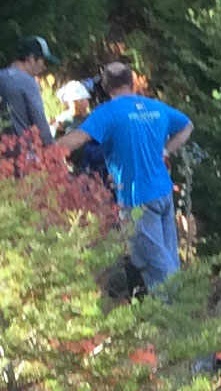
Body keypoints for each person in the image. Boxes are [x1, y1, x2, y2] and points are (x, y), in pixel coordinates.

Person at [77, 61, 193, 291]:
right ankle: (183, 306)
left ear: (107, 86)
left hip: (136, 197)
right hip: (163, 191)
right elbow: (187, 126)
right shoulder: (156, 108)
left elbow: (77, 139)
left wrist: (45, 154)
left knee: (153, 261)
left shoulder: (107, 113)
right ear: (131, 82)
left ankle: (170, 311)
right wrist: (165, 150)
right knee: (168, 252)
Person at [0, 37, 56, 150]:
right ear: (31, 59)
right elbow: (40, 124)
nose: (44, 66)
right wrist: (52, 152)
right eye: (43, 61)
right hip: (24, 156)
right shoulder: (29, 83)